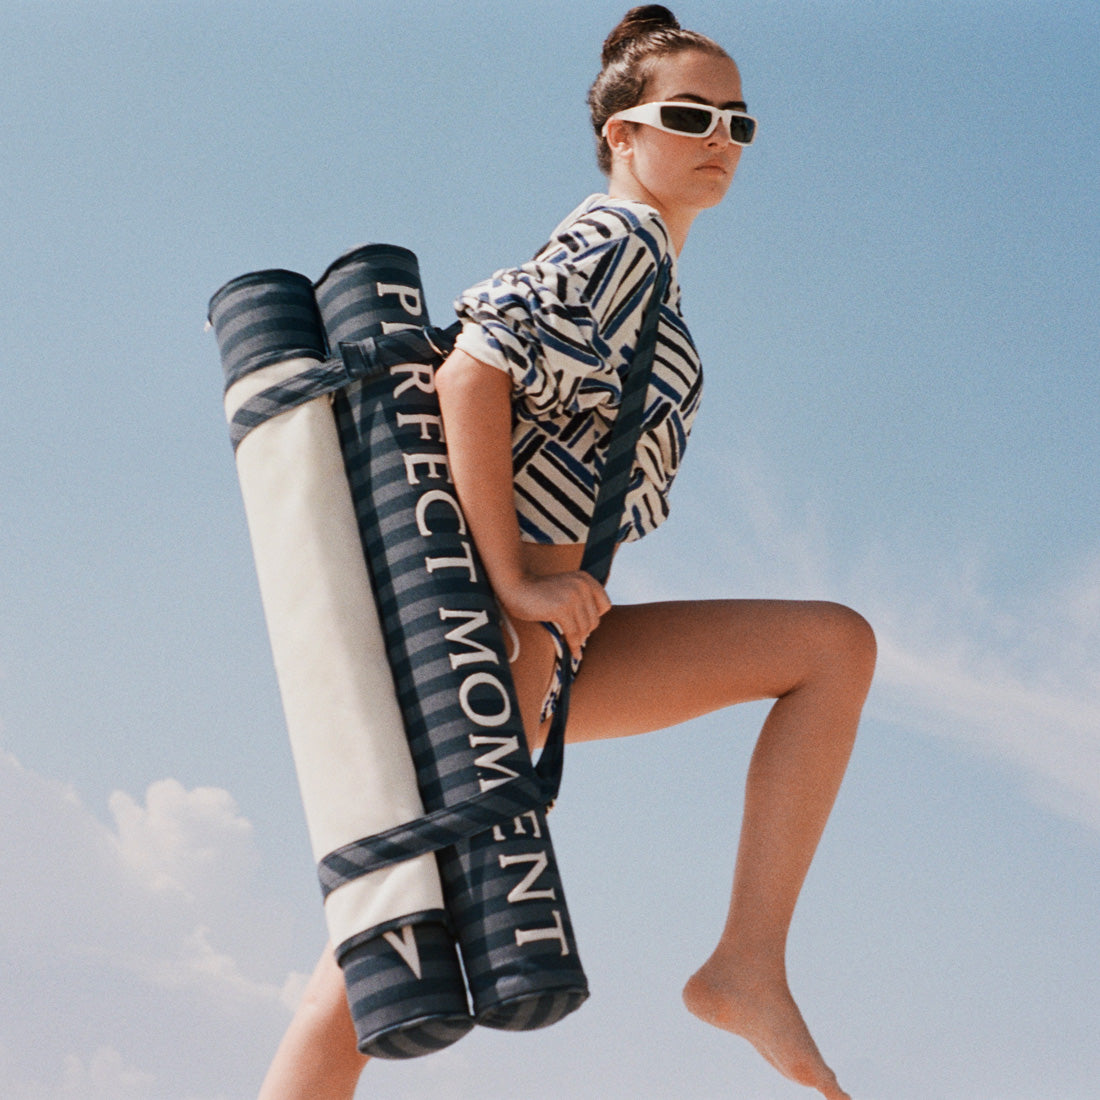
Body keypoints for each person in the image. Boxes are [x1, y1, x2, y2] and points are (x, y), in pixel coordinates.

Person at [258, 7, 875, 1099]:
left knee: (830, 647)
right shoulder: (618, 241)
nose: (719, 138)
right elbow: (473, 372)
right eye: (689, 116)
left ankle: (746, 965)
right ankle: (746, 962)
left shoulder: (647, 268)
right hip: (494, 640)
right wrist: (515, 581)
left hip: (541, 649)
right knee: (369, 972)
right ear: (621, 133)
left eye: (738, 122)